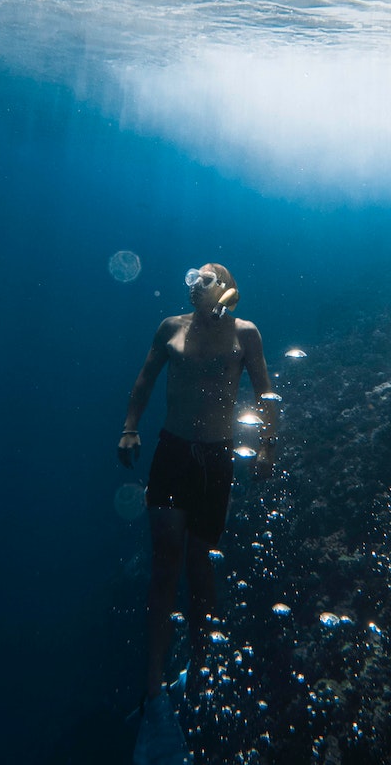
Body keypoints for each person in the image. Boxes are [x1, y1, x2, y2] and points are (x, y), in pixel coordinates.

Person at [117, 263, 279, 724]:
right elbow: (145, 379)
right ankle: (153, 686)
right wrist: (130, 429)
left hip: (216, 459)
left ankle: (202, 666)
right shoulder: (171, 327)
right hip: (172, 453)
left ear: (225, 286)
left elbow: (266, 393)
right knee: (166, 560)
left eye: (203, 279)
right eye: (190, 280)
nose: (192, 285)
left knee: (200, 565)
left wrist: (268, 448)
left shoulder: (246, 334)